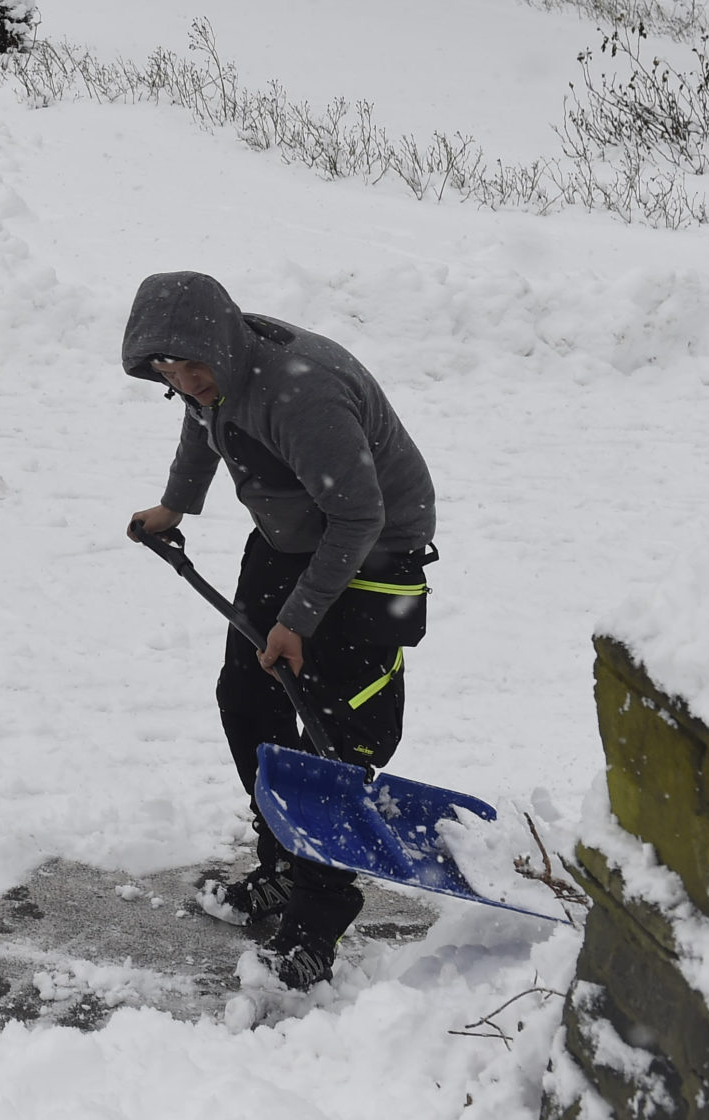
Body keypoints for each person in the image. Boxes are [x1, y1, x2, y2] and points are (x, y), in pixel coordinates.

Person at [122, 270, 436, 992]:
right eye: (167, 370)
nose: (184, 381)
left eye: (192, 365)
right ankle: (284, 860)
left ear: (221, 345)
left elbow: (360, 517)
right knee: (247, 696)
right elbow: (205, 419)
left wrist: (297, 619)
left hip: (374, 550)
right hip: (292, 536)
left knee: (336, 731)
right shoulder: (213, 370)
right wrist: (176, 505)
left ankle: (320, 914)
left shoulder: (305, 394)